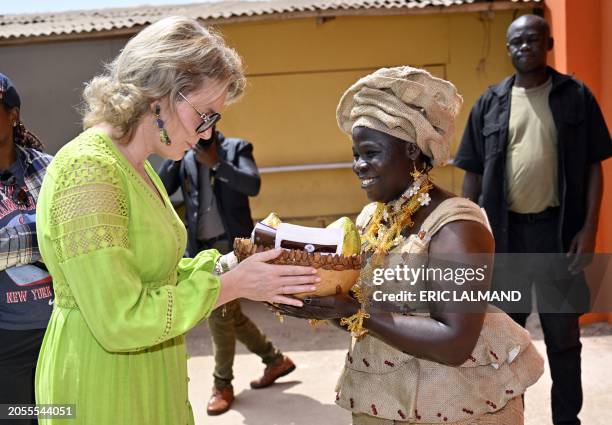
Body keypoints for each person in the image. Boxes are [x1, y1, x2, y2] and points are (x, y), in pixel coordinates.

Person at [34, 17, 320, 425]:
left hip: (148, 370)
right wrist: (231, 286)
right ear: (159, 95)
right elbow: (119, 319)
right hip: (101, 380)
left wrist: (231, 264)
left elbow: (155, 275)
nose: (206, 135)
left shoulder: (140, 168)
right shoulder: (89, 169)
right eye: (204, 115)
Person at [275, 66, 544, 424]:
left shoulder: (457, 226)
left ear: (412, 150)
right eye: (355, 153)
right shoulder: (371, 219)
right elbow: (356, 310)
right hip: (381, 401)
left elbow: (455, 341)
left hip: (457, 404)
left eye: (370, 152)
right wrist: (319, 303)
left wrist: (355, 312)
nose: (358, 165)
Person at [454, 15, 612, 425]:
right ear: (508, 49)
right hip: (506, 242)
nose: (525, 47)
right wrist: (462, 236)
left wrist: (589, 227)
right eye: (517, 42)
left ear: (549, 42)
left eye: (533, 39)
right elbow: (470, 175)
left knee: (564, 338)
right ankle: (509, 418)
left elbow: (595, 166)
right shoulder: (489, 103)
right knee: (506, 341)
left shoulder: (576, 97)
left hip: (559, 238)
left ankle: (566, 420)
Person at [158, 127, 296, 416]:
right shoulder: (184, 154)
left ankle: (222, 384)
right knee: (229, 313)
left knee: (218, 312)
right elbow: (160, 185)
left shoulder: (237, 148)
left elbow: (252, 184)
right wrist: (175, 153)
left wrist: (217, 165)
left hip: (234, 250)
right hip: (200, 250)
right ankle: (274, 360)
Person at [0, 73, 53, 425]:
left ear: (13, 114)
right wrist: (44, 239)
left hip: (60, 327)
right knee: (17, 418)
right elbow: (58, 237)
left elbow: (75, 235)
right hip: (7, 342)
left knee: (61, 414)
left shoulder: (51, 168)